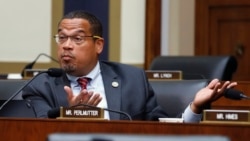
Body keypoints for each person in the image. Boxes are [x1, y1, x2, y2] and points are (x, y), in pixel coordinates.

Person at [22, 10, 237, 122]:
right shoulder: (40, 85)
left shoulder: (132, 79)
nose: (66, 46)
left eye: (77, 39)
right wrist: (71, 116)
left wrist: (195, 108)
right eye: (61, 38)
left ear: (98, 44)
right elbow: (38, 133)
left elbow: (159, 131)